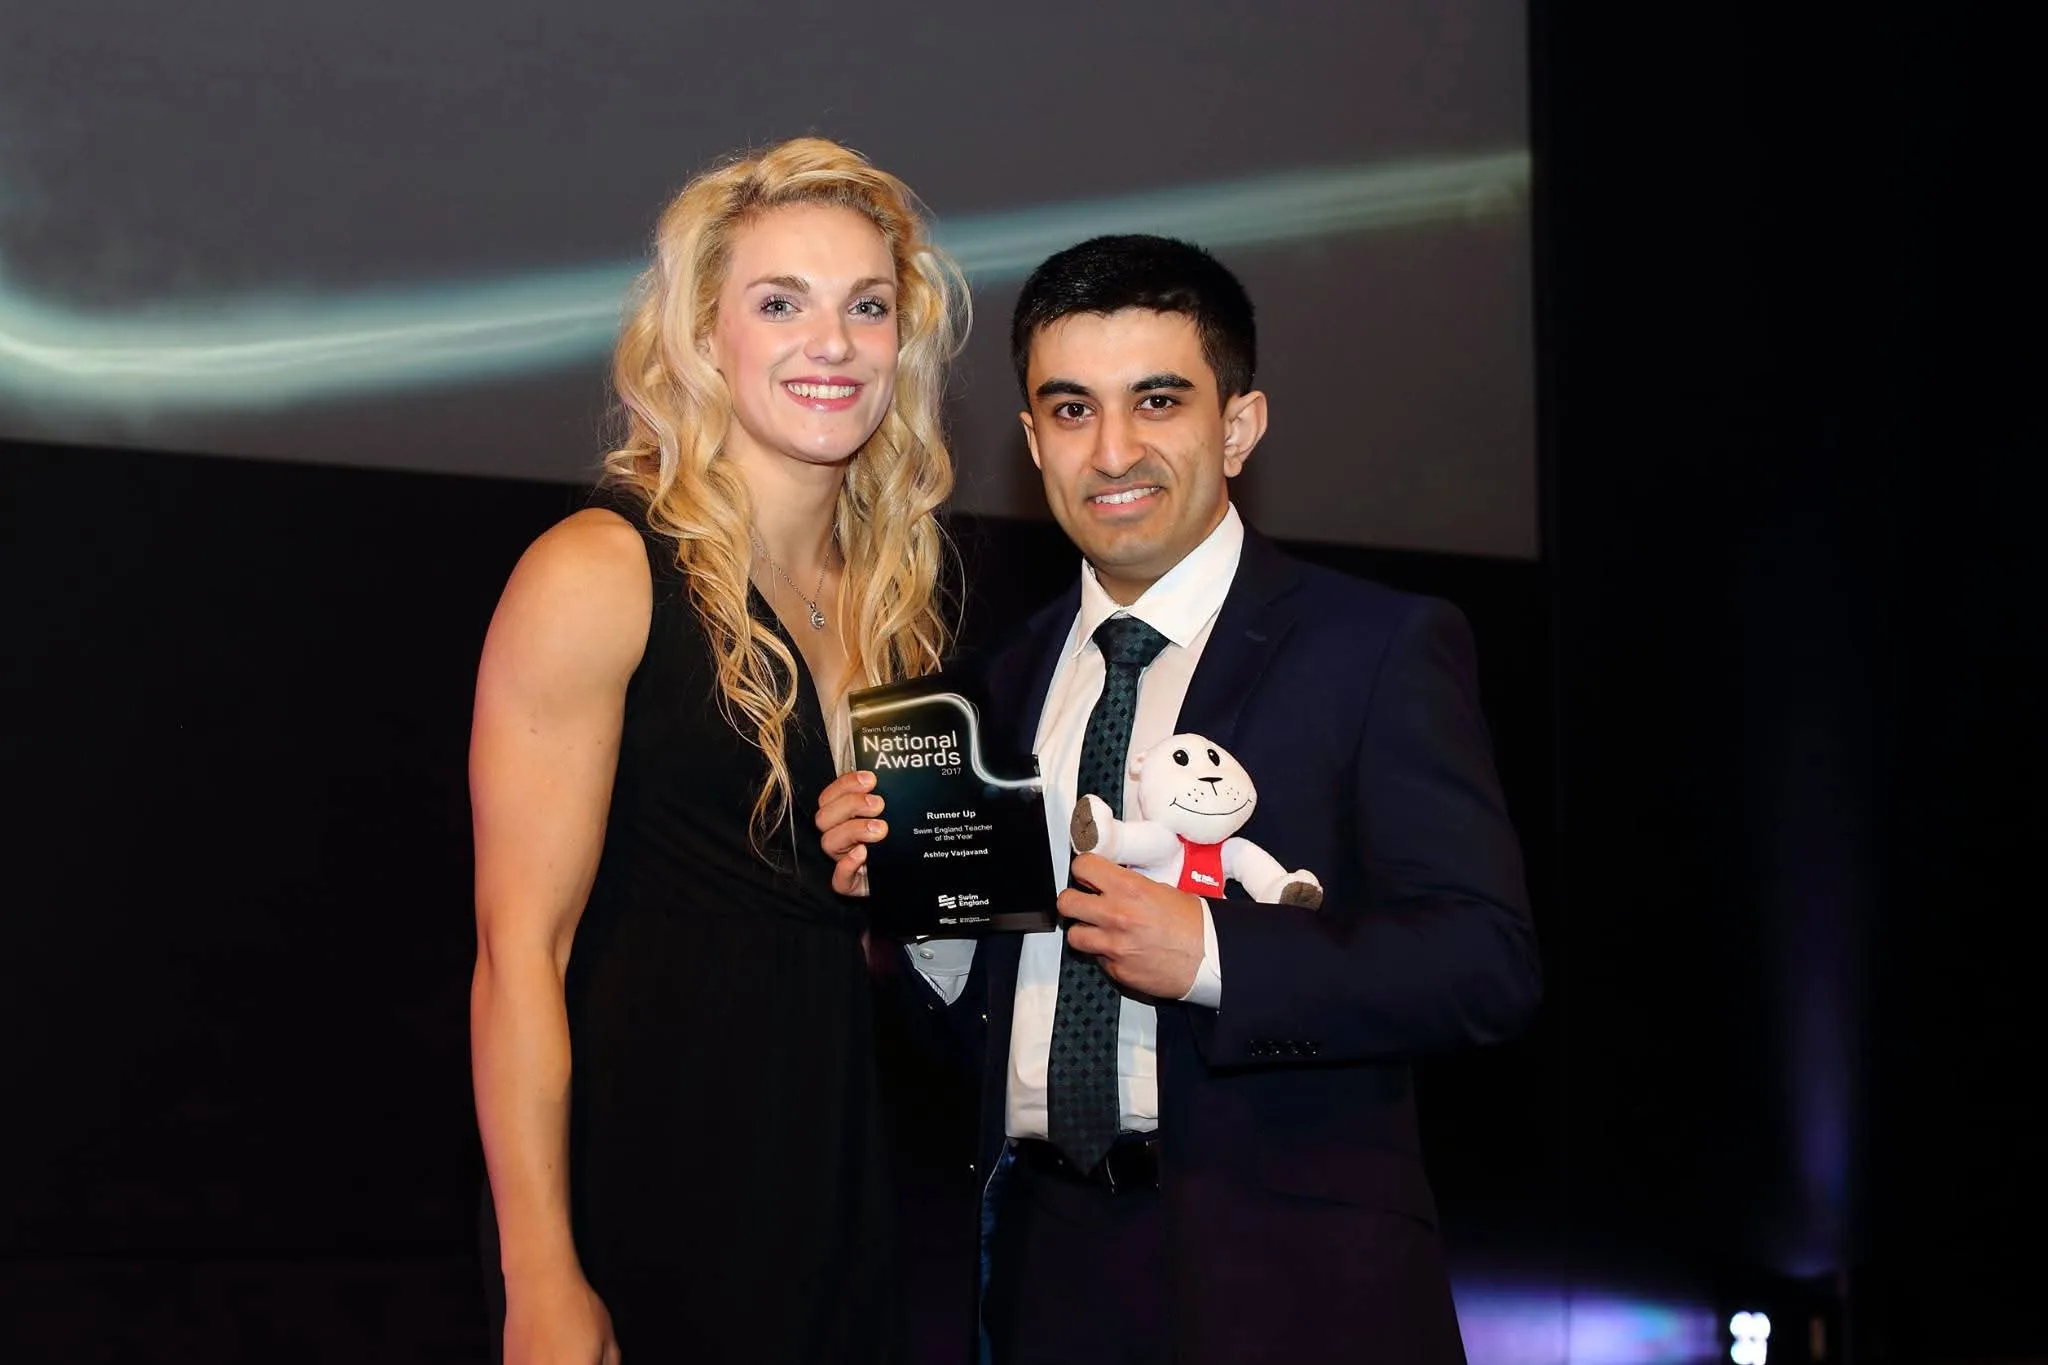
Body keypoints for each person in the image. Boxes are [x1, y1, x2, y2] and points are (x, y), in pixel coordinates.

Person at [817, 234, 1540, 1364]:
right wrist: (918, 922)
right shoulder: (992, 689)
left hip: (1289, 1286)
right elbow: (970, 1036)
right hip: (1037, 1274)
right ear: (1029, 442)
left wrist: (1210, 954)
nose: (1113, 449)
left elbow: (1483, 962)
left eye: (1156, 400)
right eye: (1070, 410)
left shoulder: (1373, 648)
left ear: (1237, 426)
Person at [469, 136, 966, 1364]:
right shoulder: (597, 569)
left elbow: (872, 954)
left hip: (840, 1188)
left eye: (866, 307)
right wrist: (539, 1275)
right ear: (703, 337)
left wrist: (893, 904)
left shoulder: (893, 604)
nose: (832, 343)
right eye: (779, 302)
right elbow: (515, 954)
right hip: (652, 1185)